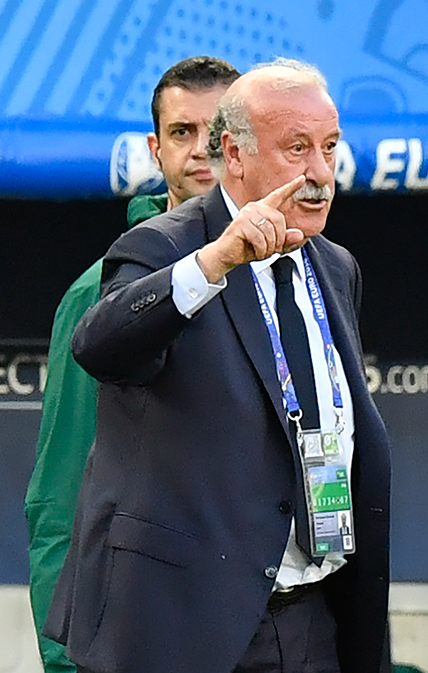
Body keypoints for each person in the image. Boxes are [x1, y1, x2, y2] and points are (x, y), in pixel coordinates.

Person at [43, 58, 392, 673]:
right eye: (297, 149)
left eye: (330, 147)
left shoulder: (336, 266)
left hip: (313, 619)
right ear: (234, 154)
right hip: (185, 625)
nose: (319, 173)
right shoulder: (164, 245)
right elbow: (100, 346)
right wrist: (215, 263)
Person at [23, 55, 239, 673]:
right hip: (152, 627)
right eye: (182, 131)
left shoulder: (299, 277)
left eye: (218, 132)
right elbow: (62, 492)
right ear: (155, 148)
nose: (200, 150)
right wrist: (66, 656)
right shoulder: (101, 293)